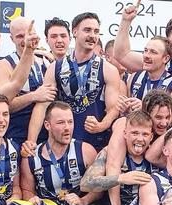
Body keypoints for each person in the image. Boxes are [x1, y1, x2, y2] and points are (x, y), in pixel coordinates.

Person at [27, 12, 121, 152]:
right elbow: (42, 106)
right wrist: (31, 142)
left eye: (96, 31)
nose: (92, 35)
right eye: (87, 30)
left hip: (95, 143)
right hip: (62, 144)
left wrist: (101, 125)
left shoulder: (109, 69)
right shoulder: (55, 67)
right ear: (75, 32)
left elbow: (113, 108)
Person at [20, 101, 99, 205]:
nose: (67, 127)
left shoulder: (86, 151)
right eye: (61, 122)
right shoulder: (32, 157)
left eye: (70, 122)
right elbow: (27, 190)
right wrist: (32, 199)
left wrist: (83, 201)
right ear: (47, 125)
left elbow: (98, 188)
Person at [0, 16, 53, 145]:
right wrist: (32, 96)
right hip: (16, 137)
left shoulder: (46, 61)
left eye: (29, 34)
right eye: (20, 36)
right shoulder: (4, 65)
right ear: (12, 39)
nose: (26, 39)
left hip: (48, 136)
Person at [80, 110, 155, 205]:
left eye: (145, 134)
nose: (140, 139)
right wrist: (120, 178)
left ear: (151, 137)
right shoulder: (108, 152)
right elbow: (86, 184)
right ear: (125, 134)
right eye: (135, 133)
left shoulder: (156, 157)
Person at [122, 35, 172, 114]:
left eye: (153, 52)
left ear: (165, 58)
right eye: (146, 50)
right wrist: (125, 110)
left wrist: (144, 108)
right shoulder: (135, 77)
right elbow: (128, 115)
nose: (146, 55)